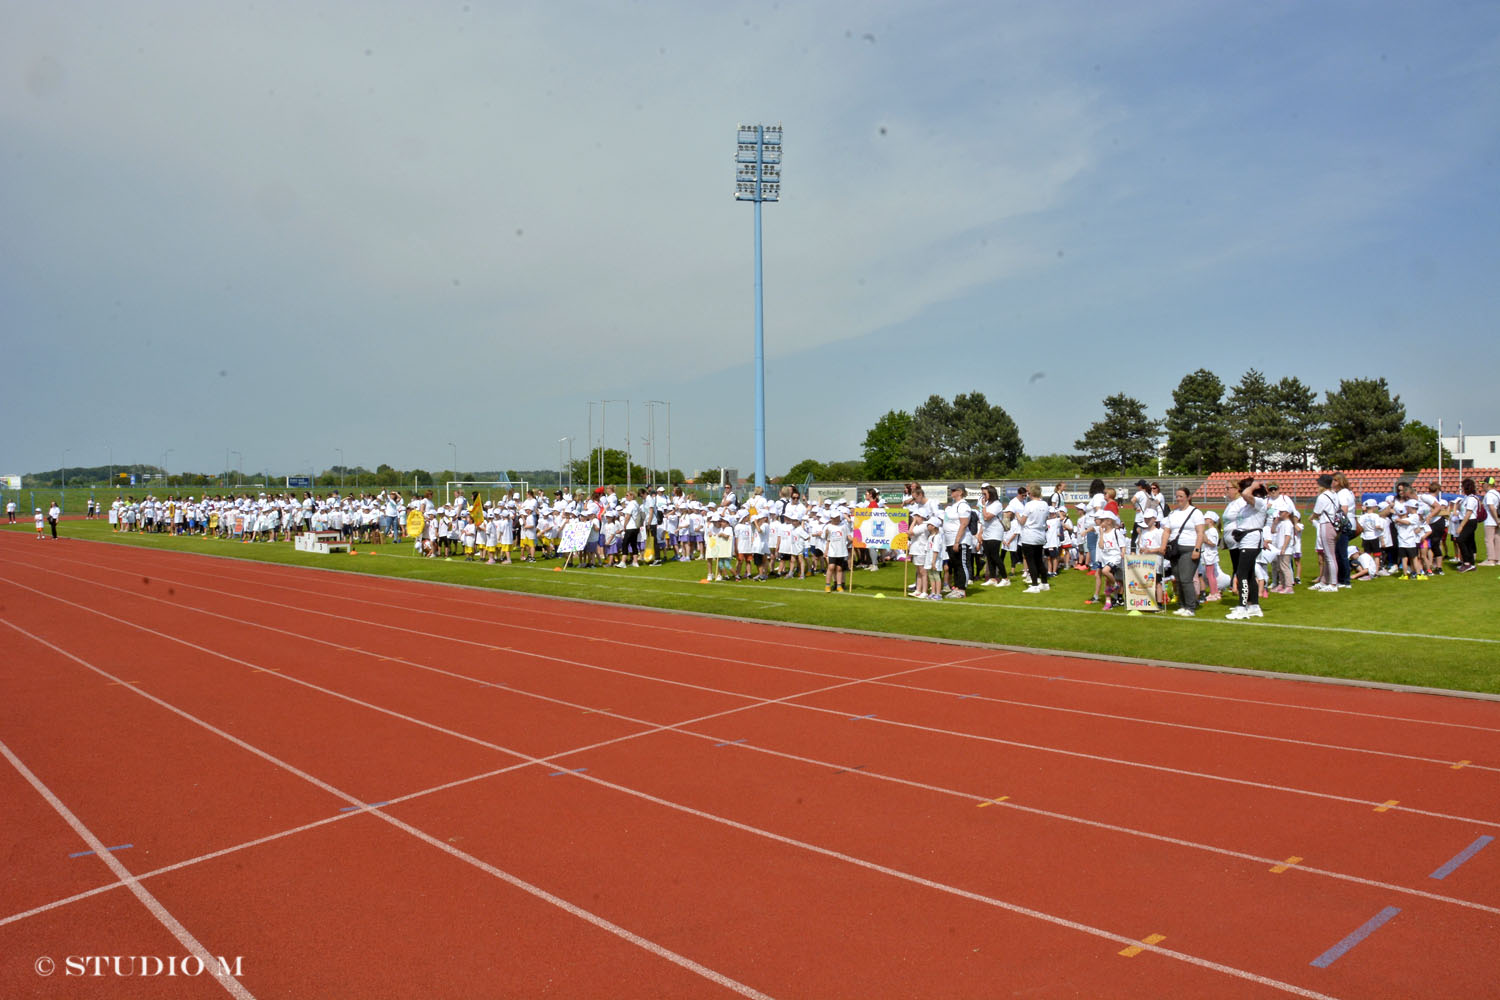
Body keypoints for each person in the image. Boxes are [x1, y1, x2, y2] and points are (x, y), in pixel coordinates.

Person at [1223, 476, 1269, 619]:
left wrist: (1253, 485)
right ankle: (1254, 605)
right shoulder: (1247, 506)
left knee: (1241, 573)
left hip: (1251, 540)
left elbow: (1245, 494)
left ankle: (1242, 607)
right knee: (1249, 574)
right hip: (1245, 541)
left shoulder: (1259, 502)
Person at [1164, 487, 1206, 616]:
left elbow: (1200, 533)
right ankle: (1182, 604)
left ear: (1188, 497)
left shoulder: (1196, 513)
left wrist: (1197, 549)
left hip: (1189, 548)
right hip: (1175, 549)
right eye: (1177, 496)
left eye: (1181, 496)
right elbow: (1167, 531)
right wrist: (1163, 545)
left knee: (1186, 578)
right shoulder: (1173, 513)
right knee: (1178, 578)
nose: (1178, 499)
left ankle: (1190, 607)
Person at [1018, 483, 1051, 593]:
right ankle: (1045, 583)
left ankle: (1034, 584)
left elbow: (1022, 521)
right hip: (1040, 535)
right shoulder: (1045, 505)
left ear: (1030, 493)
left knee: (1031, 561)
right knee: (1039, 560)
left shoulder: (1029, 505)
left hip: (1029, 535)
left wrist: (1017, 515)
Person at [942, 485, 971, 598]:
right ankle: (957, 587)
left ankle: (962, 589)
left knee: (961, 564)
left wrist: (957, 541)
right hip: (950, 541)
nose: (951, 492)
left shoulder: (963, 506)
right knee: (955, 565)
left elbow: (963, 524)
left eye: (953, 490)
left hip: (960, 540)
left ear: (960, 492)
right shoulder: (953, 506)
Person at [1452, 478, 1480, 572]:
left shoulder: (1472, 499)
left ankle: (1467, 563)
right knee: (1468, 542)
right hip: (1465, 520)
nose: (1461, 488)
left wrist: (1461, 526)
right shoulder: (1466, 498)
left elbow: (1468, 513)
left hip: (1469, 521)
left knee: (1460, 540)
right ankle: (1471, 563)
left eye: (1462, 486)